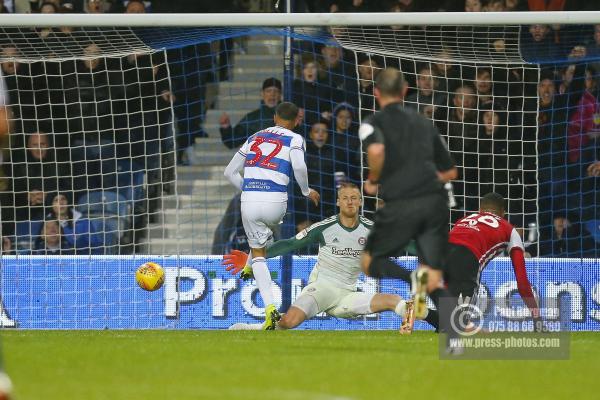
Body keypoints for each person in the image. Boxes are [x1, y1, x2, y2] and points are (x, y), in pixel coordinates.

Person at [222, 183, 423, 332]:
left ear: (361, 202)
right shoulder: (325, 228)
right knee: (287, 323)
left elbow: (403, 242)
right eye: (345, 198)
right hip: (321, 288)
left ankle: (417, 320)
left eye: (355, 198)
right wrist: (253, 258)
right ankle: (250, 329)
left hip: (348, 293)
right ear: (338, 202)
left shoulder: (372, 229)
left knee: (392, 300)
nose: (350, 202)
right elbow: (290, 243)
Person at [357, 68, 457, 343]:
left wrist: (373, 179)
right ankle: (456, 327)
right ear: (404, 91)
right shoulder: (424, 122)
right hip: (435, 202)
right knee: (433, 277)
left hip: (401, 203)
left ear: (376, 92)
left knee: (369, 262)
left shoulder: (371, 123)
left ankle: (411, 279)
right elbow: (450, 172)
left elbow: (376, 151)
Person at [223, 101, 320, 330]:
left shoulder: (255, 136)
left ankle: (270, 309)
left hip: (250, 200)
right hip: (277, 201)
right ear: (297, 120)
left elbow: (229, 172)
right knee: (263, 237)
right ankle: (250, 265)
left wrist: (247, 188)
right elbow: (298, 167)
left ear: (275, 117)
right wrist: (306, 190)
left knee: (259, 252)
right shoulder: (295, 139)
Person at [219, 77, 282, 150]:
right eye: (268, 91)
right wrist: (226, 127)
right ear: (262, 94)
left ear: (280, 95)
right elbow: (232, 142)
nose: (272, 94)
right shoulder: (252, 118)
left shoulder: (289, 117)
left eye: (276, 91)